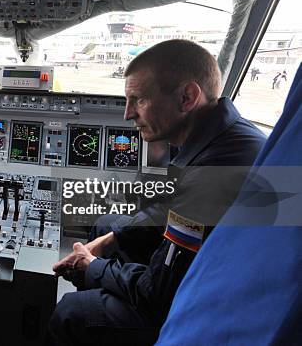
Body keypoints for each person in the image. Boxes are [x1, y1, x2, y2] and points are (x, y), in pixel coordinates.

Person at [49, 40, 266, 345]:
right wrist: (117, 236)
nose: (127, 114)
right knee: (107, 226)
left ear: (187, 97)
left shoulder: (214, 174)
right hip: (218, 272)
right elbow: (171, 210)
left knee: (72, 311)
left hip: (220, 311)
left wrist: (92, 267)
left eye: (138, 100)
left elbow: (157, 295)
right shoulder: (222, 138)